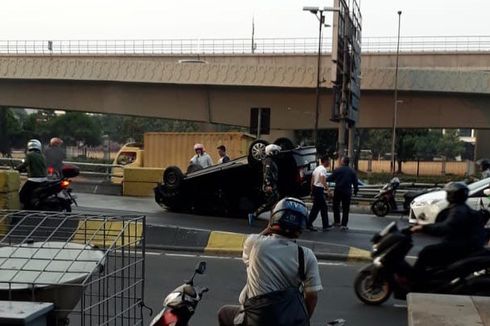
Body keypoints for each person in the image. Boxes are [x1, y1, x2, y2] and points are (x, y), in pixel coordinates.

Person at [218, 197, 322, 326]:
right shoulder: (306, 255)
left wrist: (269, 227)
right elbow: (312, 296)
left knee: (223, 313)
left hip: (255, 318)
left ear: (274, 218)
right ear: (301, 227)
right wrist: (302, 320)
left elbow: (256, 243)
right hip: (287, 320)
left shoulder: (254, 243)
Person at [411, 182, 487, 276]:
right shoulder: (461, 208)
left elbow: (446, 227)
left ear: (452, 195)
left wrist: (424, 228)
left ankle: (416, 279)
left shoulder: (458, 210)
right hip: (466, 244)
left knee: (426, 252)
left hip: (460, 246)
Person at [248, 144, 281, 225]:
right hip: (269, 185)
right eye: (275, 152)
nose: (277, 153)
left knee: (274, 202)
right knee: (270, 202)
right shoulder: (268, 161)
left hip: (273, 185)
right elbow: (267, 174)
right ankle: (254, 214)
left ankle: (272, 220)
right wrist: (268, 185)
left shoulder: (271, 160)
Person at [326, 156, 358, 230]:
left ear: (343, 162)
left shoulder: (338, 170)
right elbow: (355, 183)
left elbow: (330, 178)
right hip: (347, 192)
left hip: (338, 190)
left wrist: (324, 179)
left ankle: (337, 221)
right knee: (346, 208)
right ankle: (344, 224)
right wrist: (356, 191)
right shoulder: (352, 171)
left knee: (336, 206)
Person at [16, 139, 47, 209]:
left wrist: (15, 169)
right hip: (44, 179)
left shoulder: (30, 155)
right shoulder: (42, 156)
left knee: (22, 194)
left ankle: (25, 208)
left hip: (34, 179)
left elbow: (24, 164)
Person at [307, 155, 333, 232]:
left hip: (315, 189)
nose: (329, 162)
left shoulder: (316, 169)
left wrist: (312, 191)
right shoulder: (323, 169)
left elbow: (312, 181)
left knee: (316, 208)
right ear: (325, 161)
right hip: (319, 189)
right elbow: (322, 180)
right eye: (328, 161)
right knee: (323, 207)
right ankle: (325, 225)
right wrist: (328, 190)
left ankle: (309, 223)